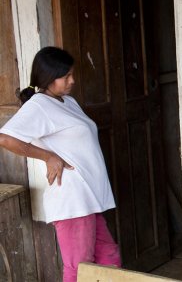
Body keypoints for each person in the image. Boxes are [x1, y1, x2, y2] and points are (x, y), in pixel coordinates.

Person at [0, 47, 120, 282]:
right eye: (66, 76)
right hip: (72, 199)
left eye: (71, 74)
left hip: (88, 198)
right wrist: (48, 157)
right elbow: (5, 138)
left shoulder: (68, 102)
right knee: (79, 268)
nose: (72, 80)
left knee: (109, 258)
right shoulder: (39, 106)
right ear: (47, 78)